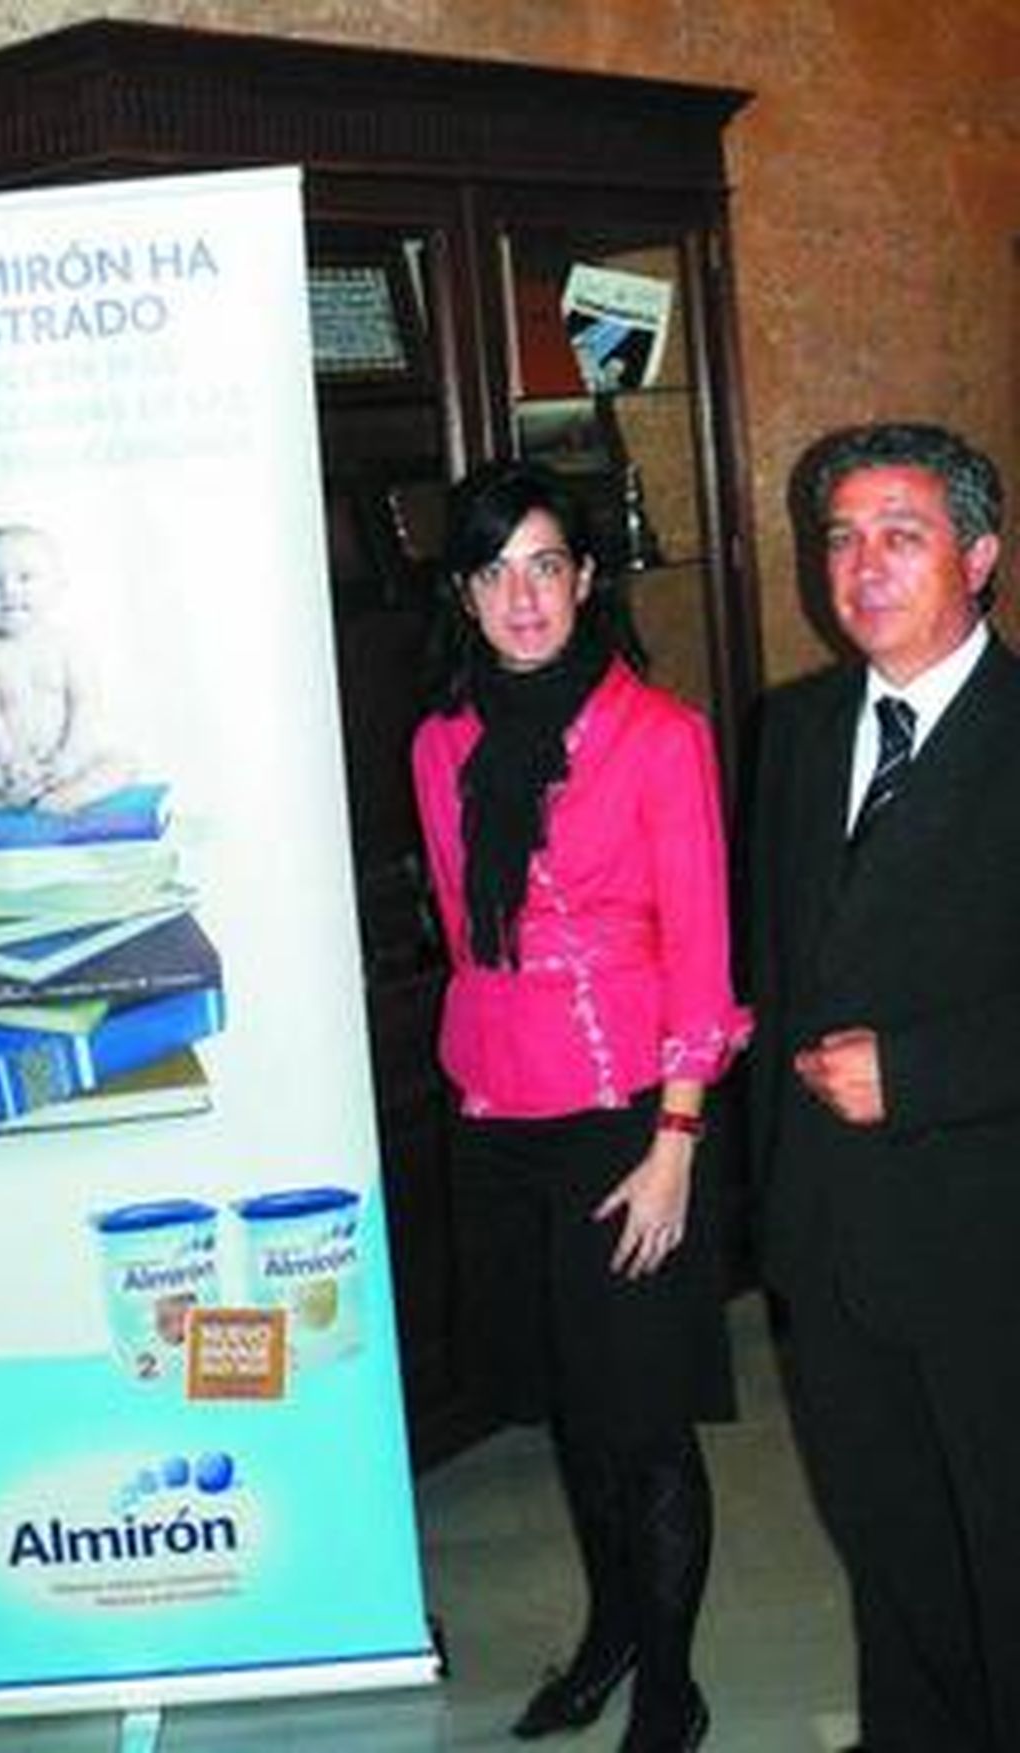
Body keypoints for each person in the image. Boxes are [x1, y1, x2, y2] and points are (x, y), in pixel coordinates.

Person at [411, 462, 747, 1753]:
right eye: (495, 572)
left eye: (545, 564)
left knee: (641, 1419)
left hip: (628, 1116)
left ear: (587, 578)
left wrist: (676, 1143)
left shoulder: (658, 736)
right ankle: (612, 1634)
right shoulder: (440, 744)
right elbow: (463, 928)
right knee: (567, 1407)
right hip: (497, 1115)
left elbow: (702, 954)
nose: (523, 596)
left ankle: (670, 1683)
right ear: (465, 595)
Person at [748, 422, 1020, 1753]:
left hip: (988, 1233)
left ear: (980, 556)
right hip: (830, 1232)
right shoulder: (794, 730)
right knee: (889, 1539)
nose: (862, 566)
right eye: (841, 537)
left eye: (901, 535)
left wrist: (916, 1072)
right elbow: (769, 969)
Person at [0, 521, 135, 813]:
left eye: (25, 578)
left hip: (66, 762)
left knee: (123, 763)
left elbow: (85, 707)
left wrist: (70, 758)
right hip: (6, 769)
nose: (8, 590)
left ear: (57, 586)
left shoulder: (69, 646)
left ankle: (67, 797)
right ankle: (7, 799)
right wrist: (10, 763)